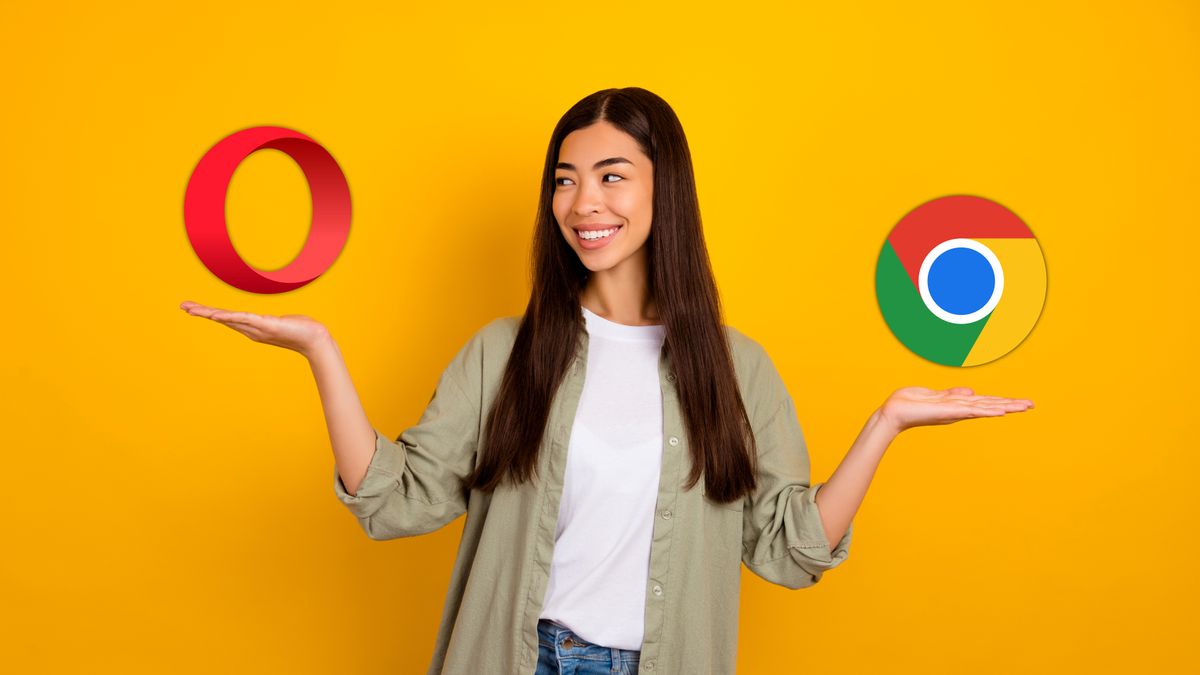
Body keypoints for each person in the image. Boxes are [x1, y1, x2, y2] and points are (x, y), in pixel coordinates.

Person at [180, 87, 1034, 675]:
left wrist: (883, 424)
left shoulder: (739, 371)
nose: (582, 200)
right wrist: (321, 352)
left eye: (610, 174)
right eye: (564, 178)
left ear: (669, 189)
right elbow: (396, 499)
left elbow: (788, 548)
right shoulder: (504, 353)